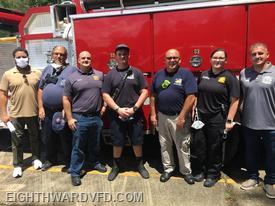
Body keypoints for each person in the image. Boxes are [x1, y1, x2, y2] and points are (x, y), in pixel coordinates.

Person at [190, 48, 240, 187]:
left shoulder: (229, 77)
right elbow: (197, 93)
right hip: (200, 118)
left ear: (225, 60)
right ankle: (200, 172)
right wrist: (194, 108)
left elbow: (235, 100)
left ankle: (213, 174)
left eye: (221, 58)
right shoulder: (204, 74)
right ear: (210, 59)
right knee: (199, 145)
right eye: (215, 57)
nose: (218, 60)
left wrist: (229, 120)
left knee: (214, 148)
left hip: (217, 118)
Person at [102, 44, 149, 181]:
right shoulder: (110, 75)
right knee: (117, 141)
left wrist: (134, 108)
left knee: (137, 141)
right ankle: (116, 166)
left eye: (125, 54)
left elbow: (145, 91)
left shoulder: (137, 72)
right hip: (117, 115)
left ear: (129, 56)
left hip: (135, 114)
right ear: (115, 57)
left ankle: (140, 165)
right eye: (120, 54)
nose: (122, 56)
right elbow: (105, 94)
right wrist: (118, 109)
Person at [150, 49, 197, 184]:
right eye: (169, 58)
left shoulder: (186, 74)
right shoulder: (159, 75)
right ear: (165, 60)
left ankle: (186, 172)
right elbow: (152, 95)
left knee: (182, 145)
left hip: (179, 117)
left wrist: (182, 116)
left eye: (175, 58)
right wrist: (153, 113)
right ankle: (168, 169)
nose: (172, 60)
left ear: (180, 60)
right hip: (162, 116)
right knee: (164, 144)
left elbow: (191, 96)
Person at [63, 51, 107, 186]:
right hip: (79, 117)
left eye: (88, 58)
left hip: (96, 117)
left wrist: (104, 106)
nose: (86, 60)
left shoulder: (99, 75)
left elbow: (105, 93)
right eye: (83, 58)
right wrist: (70, 118)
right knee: (78, 147)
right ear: (78, 60)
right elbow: (66, 99)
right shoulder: (71, 78)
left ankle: (94, 163)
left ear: (91, 60)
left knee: (95, 143)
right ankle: (75, 172)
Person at [240, 43, 275, 199]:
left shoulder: (274, 72)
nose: (257, 56)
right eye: (254, 54)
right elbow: (239, 96)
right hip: (249, 123)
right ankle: (253, 177)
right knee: (251, 153)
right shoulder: (244, 73)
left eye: (260, 53)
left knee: (272, 154)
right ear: (250, 56)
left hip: (271, 124)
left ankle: (270, 181)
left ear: (267, 54)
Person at [0, 47, 42, 178]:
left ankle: (35, 158)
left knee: (35, 137)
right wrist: (3, 114)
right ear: (14, 59)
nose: (21, 59)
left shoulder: (37, 73)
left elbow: (41, 92)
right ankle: (18, 165)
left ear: (28, 57)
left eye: (23, 56)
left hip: (33, 112)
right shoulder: (8, 74)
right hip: (15, 114)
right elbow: (2, 94)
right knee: (16, 140)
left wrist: (41, 108)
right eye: (18, 57)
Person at [38, 46, 76, 171]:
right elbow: (40, 89)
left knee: (65, 137)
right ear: (52, 55)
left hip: (62, 110)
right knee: (47, 136)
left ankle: (69, 161)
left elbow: (75, 92)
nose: (59, 56)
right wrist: (41, 107)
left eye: (62, 54)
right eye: (56, 54)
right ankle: (50, 159)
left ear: (66, 56)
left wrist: (68, 108)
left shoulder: (72, 70)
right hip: (47, 110)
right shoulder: (47, 69)